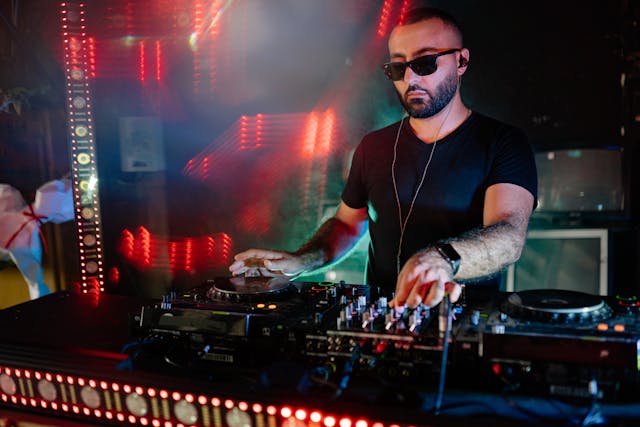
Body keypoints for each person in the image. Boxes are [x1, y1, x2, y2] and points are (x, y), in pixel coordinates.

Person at [229, 7, 537, 310]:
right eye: (398, 68)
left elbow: (508, 235)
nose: (410, 78)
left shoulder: (503, 142)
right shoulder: (373, 146)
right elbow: (347, 225)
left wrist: (442, 258)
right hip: (380, 316)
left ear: (461, 61)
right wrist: (301, 260)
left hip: (462, 320)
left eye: (425, 63)